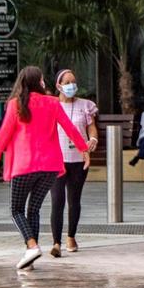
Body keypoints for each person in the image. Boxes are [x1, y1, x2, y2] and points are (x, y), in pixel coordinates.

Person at [0, 66, 90, 270]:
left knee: (16, 210)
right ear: (36, 82)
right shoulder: (52, 103)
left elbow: (4, 133)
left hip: (24, 166)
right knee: (34, 210)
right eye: (41, 80)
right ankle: (31, 256)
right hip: (49, 168)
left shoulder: (16, 105)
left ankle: (31, 247)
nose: (44, 83)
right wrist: (84, 149)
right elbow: (69, 128)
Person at [48, 68, 99, 258]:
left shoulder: (85, 105)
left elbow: (91, 129)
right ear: (59, 86)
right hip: (57, 160)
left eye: (73, 81)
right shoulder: (52, 106)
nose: (71, 85)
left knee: (74, 199)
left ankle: (71, 236)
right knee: (57, 200)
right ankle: (56, 242)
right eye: (67, 82)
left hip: (79, 159)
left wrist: (92, 140)